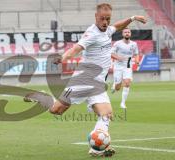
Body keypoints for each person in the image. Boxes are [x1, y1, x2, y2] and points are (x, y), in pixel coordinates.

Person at [24, 3, 146, 157]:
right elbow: (76, 48)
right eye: (102, 19)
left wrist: (133, 18)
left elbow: (117, 26)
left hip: (98, 84)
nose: (105, 22)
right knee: (57, 110)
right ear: (96, 17)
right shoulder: (91, 33)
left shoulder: (108, 30)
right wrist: (63, 58)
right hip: (82, 81)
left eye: (107, 19)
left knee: (107, 114)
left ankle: (96, 148)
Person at [111, 28, 140, 109]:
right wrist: (118, 58)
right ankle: (115, 84)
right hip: (118, 67)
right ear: (122, 34)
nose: (127, 33)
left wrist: (137, 61)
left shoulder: (134, 44)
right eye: (125, 32)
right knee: (117, 88)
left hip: (127, 66)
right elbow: (111, 53)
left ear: (130, 34)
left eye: (128, 32)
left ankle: (123, 103)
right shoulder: (117, 43)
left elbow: (136, 54)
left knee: (127, 83)